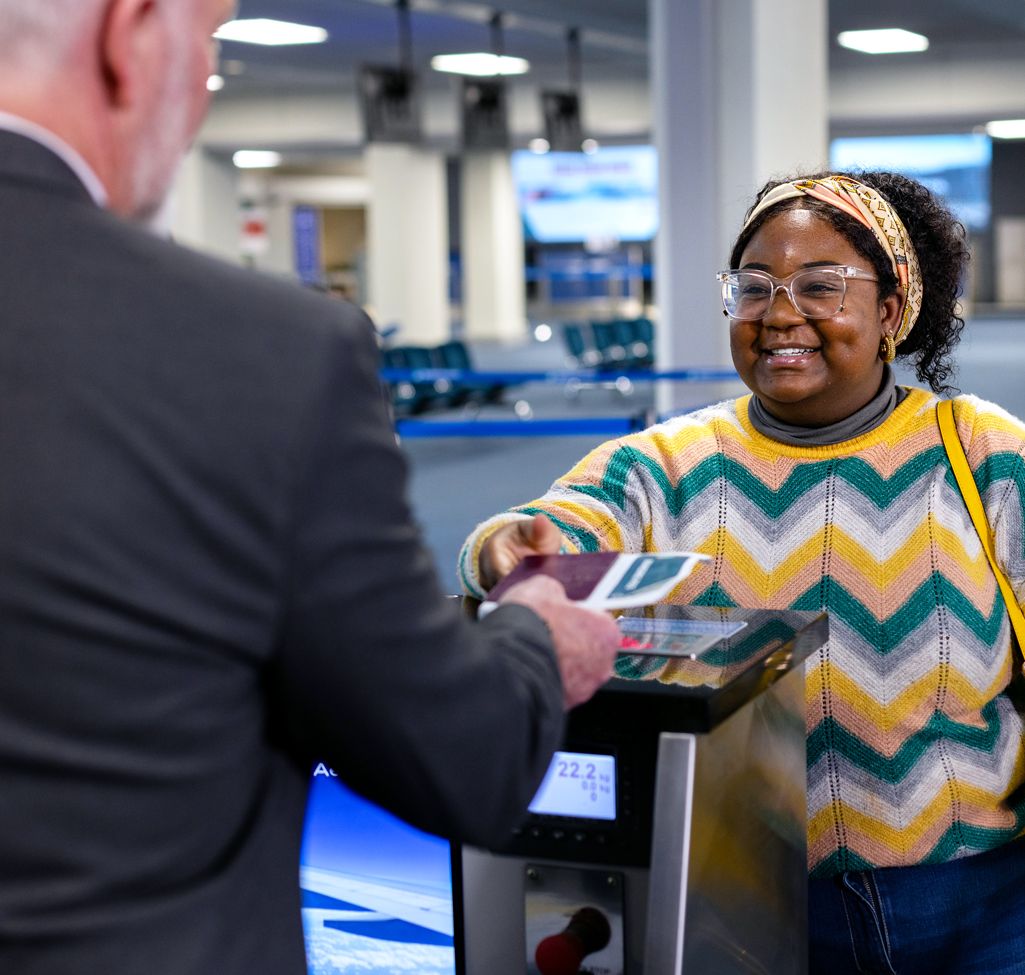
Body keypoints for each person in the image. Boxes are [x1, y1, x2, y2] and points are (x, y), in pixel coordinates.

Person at [462, 170, 1025, 972]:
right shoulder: (666, 463)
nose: (780, 314)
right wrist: (510, 551)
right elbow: (555, 525)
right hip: (748, 898)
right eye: (753, 287)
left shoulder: (988, 454)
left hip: (974, 898)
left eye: (821, 286)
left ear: (891, 310)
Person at [0, 1, 621, 972]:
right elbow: (457, 760)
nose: (199, 97)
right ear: (132, 35)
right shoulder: (250, 352)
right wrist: (538, 635)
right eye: (203, 51)